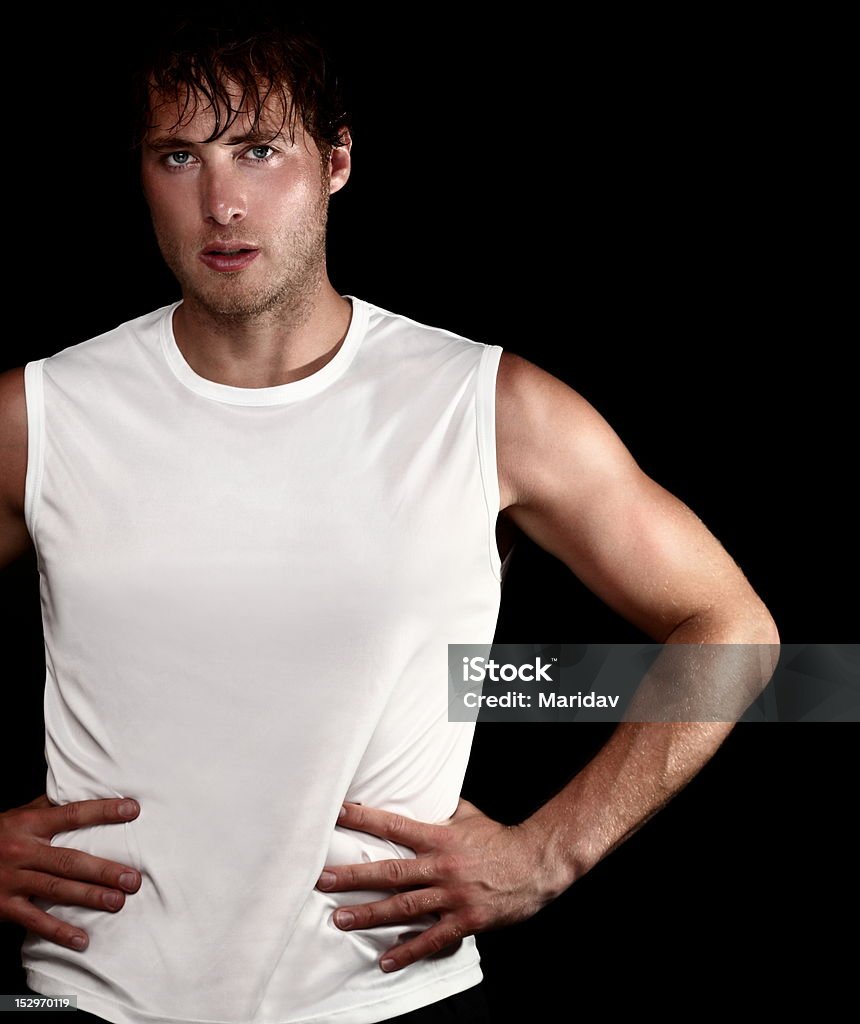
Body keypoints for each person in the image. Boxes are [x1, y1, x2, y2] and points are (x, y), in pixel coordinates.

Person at [0, 10, 779, 1024]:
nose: (221, 201)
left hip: (380, 1007)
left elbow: (736, 633)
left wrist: (545, 854)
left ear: (335, 162)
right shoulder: (41, 414)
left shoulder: (487, 407)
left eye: (258, 149)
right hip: (89, 1001)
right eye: (179, 155)